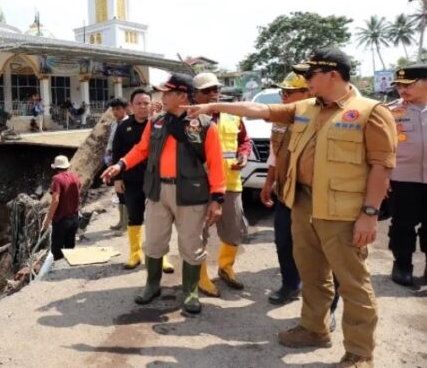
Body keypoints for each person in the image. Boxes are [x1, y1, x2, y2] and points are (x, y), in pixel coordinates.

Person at [185, 47, 396, 368]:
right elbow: (257, 109)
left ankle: (359, 353)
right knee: (311, 274)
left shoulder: (370, 111)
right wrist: (213, 104)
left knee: (353, 283)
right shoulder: (305, 107)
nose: (304, 80)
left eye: (310, 74)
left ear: (333, 75)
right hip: (303, 203)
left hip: (344, 211)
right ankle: (314, 328)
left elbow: (382, 167)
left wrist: (370, 214)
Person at [101, 73, 227, 316]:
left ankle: (190, 291)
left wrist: (218, 198)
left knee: (191, 244)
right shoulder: (156, 121)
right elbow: (141, 148)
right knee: (154, 242)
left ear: (181, 96)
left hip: (190, 193)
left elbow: (216, 163)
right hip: (158, 191)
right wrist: (121, 165)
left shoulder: (204, 125)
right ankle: (152, 285)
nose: (162, 97)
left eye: (167, 93)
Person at [259, 73, 342, 325]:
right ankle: (290, 284)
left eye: (289, 92)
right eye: (282, 92)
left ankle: (330, 307)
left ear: (308, 93)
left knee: (330, 251)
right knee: (284, 241)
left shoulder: (331, 117)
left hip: (325, 196)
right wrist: (268, 181)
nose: (283, 96)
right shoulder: (283, 118)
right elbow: (276, 153)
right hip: (288, 191)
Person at [192, 73, 252, 296]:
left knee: (234, 228)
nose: (212, 94)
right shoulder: (189, 117)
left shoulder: (232, 114)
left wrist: (244, 155)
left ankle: (226, 268)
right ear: (195, 95)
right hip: (200, 186)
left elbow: (244, 141)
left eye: (215, 89)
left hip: (230, 183)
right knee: (199, 233)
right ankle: (201, 276)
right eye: (206, 91)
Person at [111, 89, 176, 272]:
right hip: (132, 179)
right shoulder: (123, 127)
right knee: (134, 216)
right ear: (131, 106)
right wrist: (117, 179)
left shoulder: (160, 123)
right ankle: (135, 254)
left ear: (151, 104)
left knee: (161, 219)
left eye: (145, 103)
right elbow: (117, 153)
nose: (142, 107)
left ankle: (162, 256)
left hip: (157, 179)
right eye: (138, 103)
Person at [387, 63, 427, 286]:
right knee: (403, 224)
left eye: (408, 84)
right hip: (402, 179)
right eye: (398, 85)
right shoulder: (391, 112)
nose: (402, 89)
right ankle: (402, 264)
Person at [42, 155, 81, 260]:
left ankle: (57, 272)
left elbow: (55, 200)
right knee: (70, 246)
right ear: (67, 166)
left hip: (61, 219)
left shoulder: (57, 179)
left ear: (55, 168)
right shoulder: (75, 177)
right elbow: (77, 192)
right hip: (74, 217)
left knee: (56, 249)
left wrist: (47, 219)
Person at [105, 97, 130, 232]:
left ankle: (126, 223)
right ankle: (121, 221)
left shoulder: (128, 124)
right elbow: (111, 141)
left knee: (125, 190)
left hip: (123, 161)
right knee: (118, 191)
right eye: (113, 109)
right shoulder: (115, 123)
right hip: (113, 159)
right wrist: (108, 156)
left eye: (118, 109)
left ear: (125, 109)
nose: (115, 112)